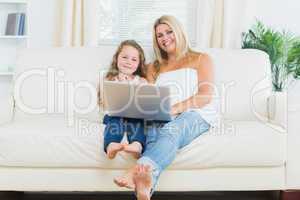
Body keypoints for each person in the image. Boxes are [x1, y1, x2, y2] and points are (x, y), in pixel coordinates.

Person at [113, 15, 219, 200]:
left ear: (179, 31)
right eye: (159, 35)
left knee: (171, 129)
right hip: (163, 114)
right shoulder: (154, 68)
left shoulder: (201, 59)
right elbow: (138, 87)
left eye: (169, 32)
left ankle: (135, 172)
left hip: (196, 113)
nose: (165, 38)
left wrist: (174, 108)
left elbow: (205, 95)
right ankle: (144, 191)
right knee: (153, 133)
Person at [98, 40, 148, 160]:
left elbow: (145, 104)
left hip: (134, 115)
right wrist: (120, 83)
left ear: (139, 64)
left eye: (134, 59)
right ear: (117, 59)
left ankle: (137, 145)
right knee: (116, 120)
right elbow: (104, 102)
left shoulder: (141, 81)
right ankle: (111, 145)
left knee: (138, 122)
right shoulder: (110, 78)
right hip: (114, 114)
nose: (128, 62)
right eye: (125, 57)